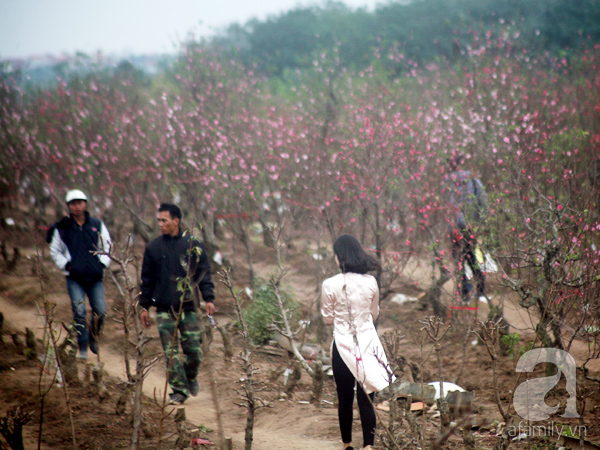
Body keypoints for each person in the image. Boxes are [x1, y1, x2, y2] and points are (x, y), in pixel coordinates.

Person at [139, 203, 215, 405]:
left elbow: (204, 274)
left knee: (194, 351)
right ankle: (179, 390)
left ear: (176, 221)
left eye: (164, 220)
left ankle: (190, 377)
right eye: (158, 220)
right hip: (164, 309)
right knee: (170, 352)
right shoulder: (153, 248)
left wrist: (208, 298)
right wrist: (144, 306)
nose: (160, 224)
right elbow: (147, 279)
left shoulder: (193, 245)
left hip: (189, 307)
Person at [321, 234, 392, 450]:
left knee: (344, 399)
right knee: (367, 399)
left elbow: (327, 319)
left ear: (339, 256)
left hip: (342, 349)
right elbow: (374, 313)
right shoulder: (371, 282)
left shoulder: (330, 284)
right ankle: (368, 447)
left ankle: (347, 445)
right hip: (368, 346)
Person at [49, 189, 112, 360]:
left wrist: (101, 264)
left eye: (80, 202)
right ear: (69, 206)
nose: (77, 206)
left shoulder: (97, 225)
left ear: (85, 204)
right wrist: (67, 265)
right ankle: (82, 344)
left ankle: (94, 338)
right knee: (79, 311)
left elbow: (107, 246)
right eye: (73, 203)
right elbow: (55, 251)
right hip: (74, 277)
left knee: (100, 311)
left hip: (95, 277)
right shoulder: (62, 228)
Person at [446, 154, 489, 303]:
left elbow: (447, 204)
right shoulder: (474, 181)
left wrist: (453, 223)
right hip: (471, 226)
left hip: (454, 227)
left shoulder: (447, 182)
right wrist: (481, 222)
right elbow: (483, 201)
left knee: (458, 259)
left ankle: (465, 293)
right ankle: (481, 290)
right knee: (472, 256)